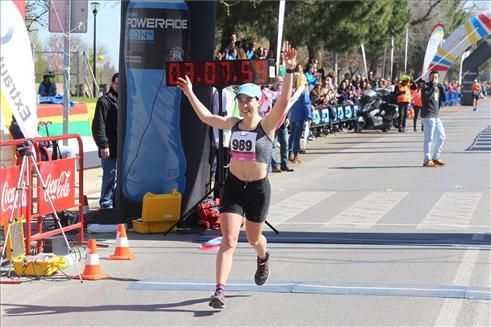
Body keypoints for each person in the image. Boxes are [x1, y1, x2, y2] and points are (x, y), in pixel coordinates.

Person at [176, 42, 297, 309]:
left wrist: (289, 70)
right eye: (240, 100)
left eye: (248, 100)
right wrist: (190, 93)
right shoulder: (233, 123)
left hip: (257, 190)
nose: (243, 105)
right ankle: (219, 290)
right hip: (233, 187)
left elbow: (285, 101)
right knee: (229, 240)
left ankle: (263, 257)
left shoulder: (267, 125)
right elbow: (207, 117)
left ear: (259, 102)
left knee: (254, 239)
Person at [92, 73, 119, 208]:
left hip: (122, 148)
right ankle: (106, 204)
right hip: (110, 147)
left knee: (117, 178)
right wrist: (103, 145)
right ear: (112, 84)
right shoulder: (104, 101)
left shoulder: (126, 100)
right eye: (117, 84)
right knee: (110, 176)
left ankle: (115, 202)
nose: (119, 87)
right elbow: (98, 125)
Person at [421, 71, 446, 167]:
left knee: (441, 136)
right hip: (428, 116)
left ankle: (436, 157)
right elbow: (427, 97)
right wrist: (433, 87)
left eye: (436, 77)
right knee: (429, 138)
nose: (434, 79)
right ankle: (427, 159)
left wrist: (441, 88)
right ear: (429, 78)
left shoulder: (438, 87)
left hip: (436, 115)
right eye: (432, 77)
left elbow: (442, 99)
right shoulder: (425, 87)